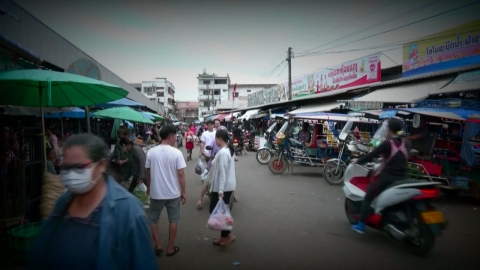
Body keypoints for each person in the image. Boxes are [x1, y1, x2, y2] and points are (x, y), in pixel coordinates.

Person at [28, 133, 157, 269]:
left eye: (79, 167)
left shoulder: (129, 212)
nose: (70, 174)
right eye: (65, 167)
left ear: (101, 165)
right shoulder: (63, 202)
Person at [351, 119, 411, 234]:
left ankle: (361, 225)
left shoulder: (388, 143)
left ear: (389, 130)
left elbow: (373, 155)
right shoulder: (407, 143)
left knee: (368, 196)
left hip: (386, 178)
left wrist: (358, 161)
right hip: (403, 178)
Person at [145, 125, 186, 257]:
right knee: (173, 220)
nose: (176, 138)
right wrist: (183, 191)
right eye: (175, 136)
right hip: (173, 193)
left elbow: (148, 172)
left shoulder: (151, 152)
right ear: (170, 136)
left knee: (153, 219)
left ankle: (157, 245)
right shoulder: (177, 153)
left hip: (156, 193)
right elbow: (181, 174)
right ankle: (170, 248)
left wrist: (149, 188)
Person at [210, 129, 236, 246]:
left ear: (219, 138)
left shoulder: (224, 153)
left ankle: (228, 235)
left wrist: (220, 190)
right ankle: (223, 237)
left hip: (223, 187)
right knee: (221, 211)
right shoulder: (226, 151)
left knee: (218, 212)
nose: (215, 140)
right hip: (227, 186)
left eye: (216, 138)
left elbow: (223, 172)